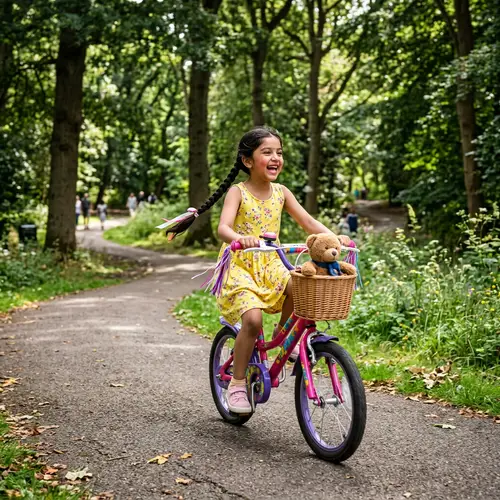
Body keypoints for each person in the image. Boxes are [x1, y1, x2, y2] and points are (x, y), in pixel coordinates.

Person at [164, 127, 335, 414]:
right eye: (266, 152)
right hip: (240, 265)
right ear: (247, 160)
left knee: (300, 287)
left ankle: (284, 335)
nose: (275, 158)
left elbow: (307, 222)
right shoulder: (238, 192)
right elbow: (223, 228)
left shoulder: (281, 193)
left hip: (271, 263)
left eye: (279, 153)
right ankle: (238, 383)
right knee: (253, 322)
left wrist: (333, 237)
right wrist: (239, 239)